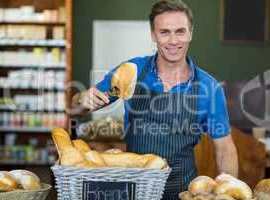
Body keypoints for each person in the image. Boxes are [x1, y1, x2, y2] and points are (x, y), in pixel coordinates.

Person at [72, 0, 238, 199]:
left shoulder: (209, 87)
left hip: (183, 191)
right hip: (134, 189)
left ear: (190, 33)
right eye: (164, 32)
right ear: (153, 34)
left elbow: (225, 149)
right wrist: (82, 99)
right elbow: (79, 109)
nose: (173, 41)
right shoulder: (132, 71)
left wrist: (228, 191)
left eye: (180, 31)